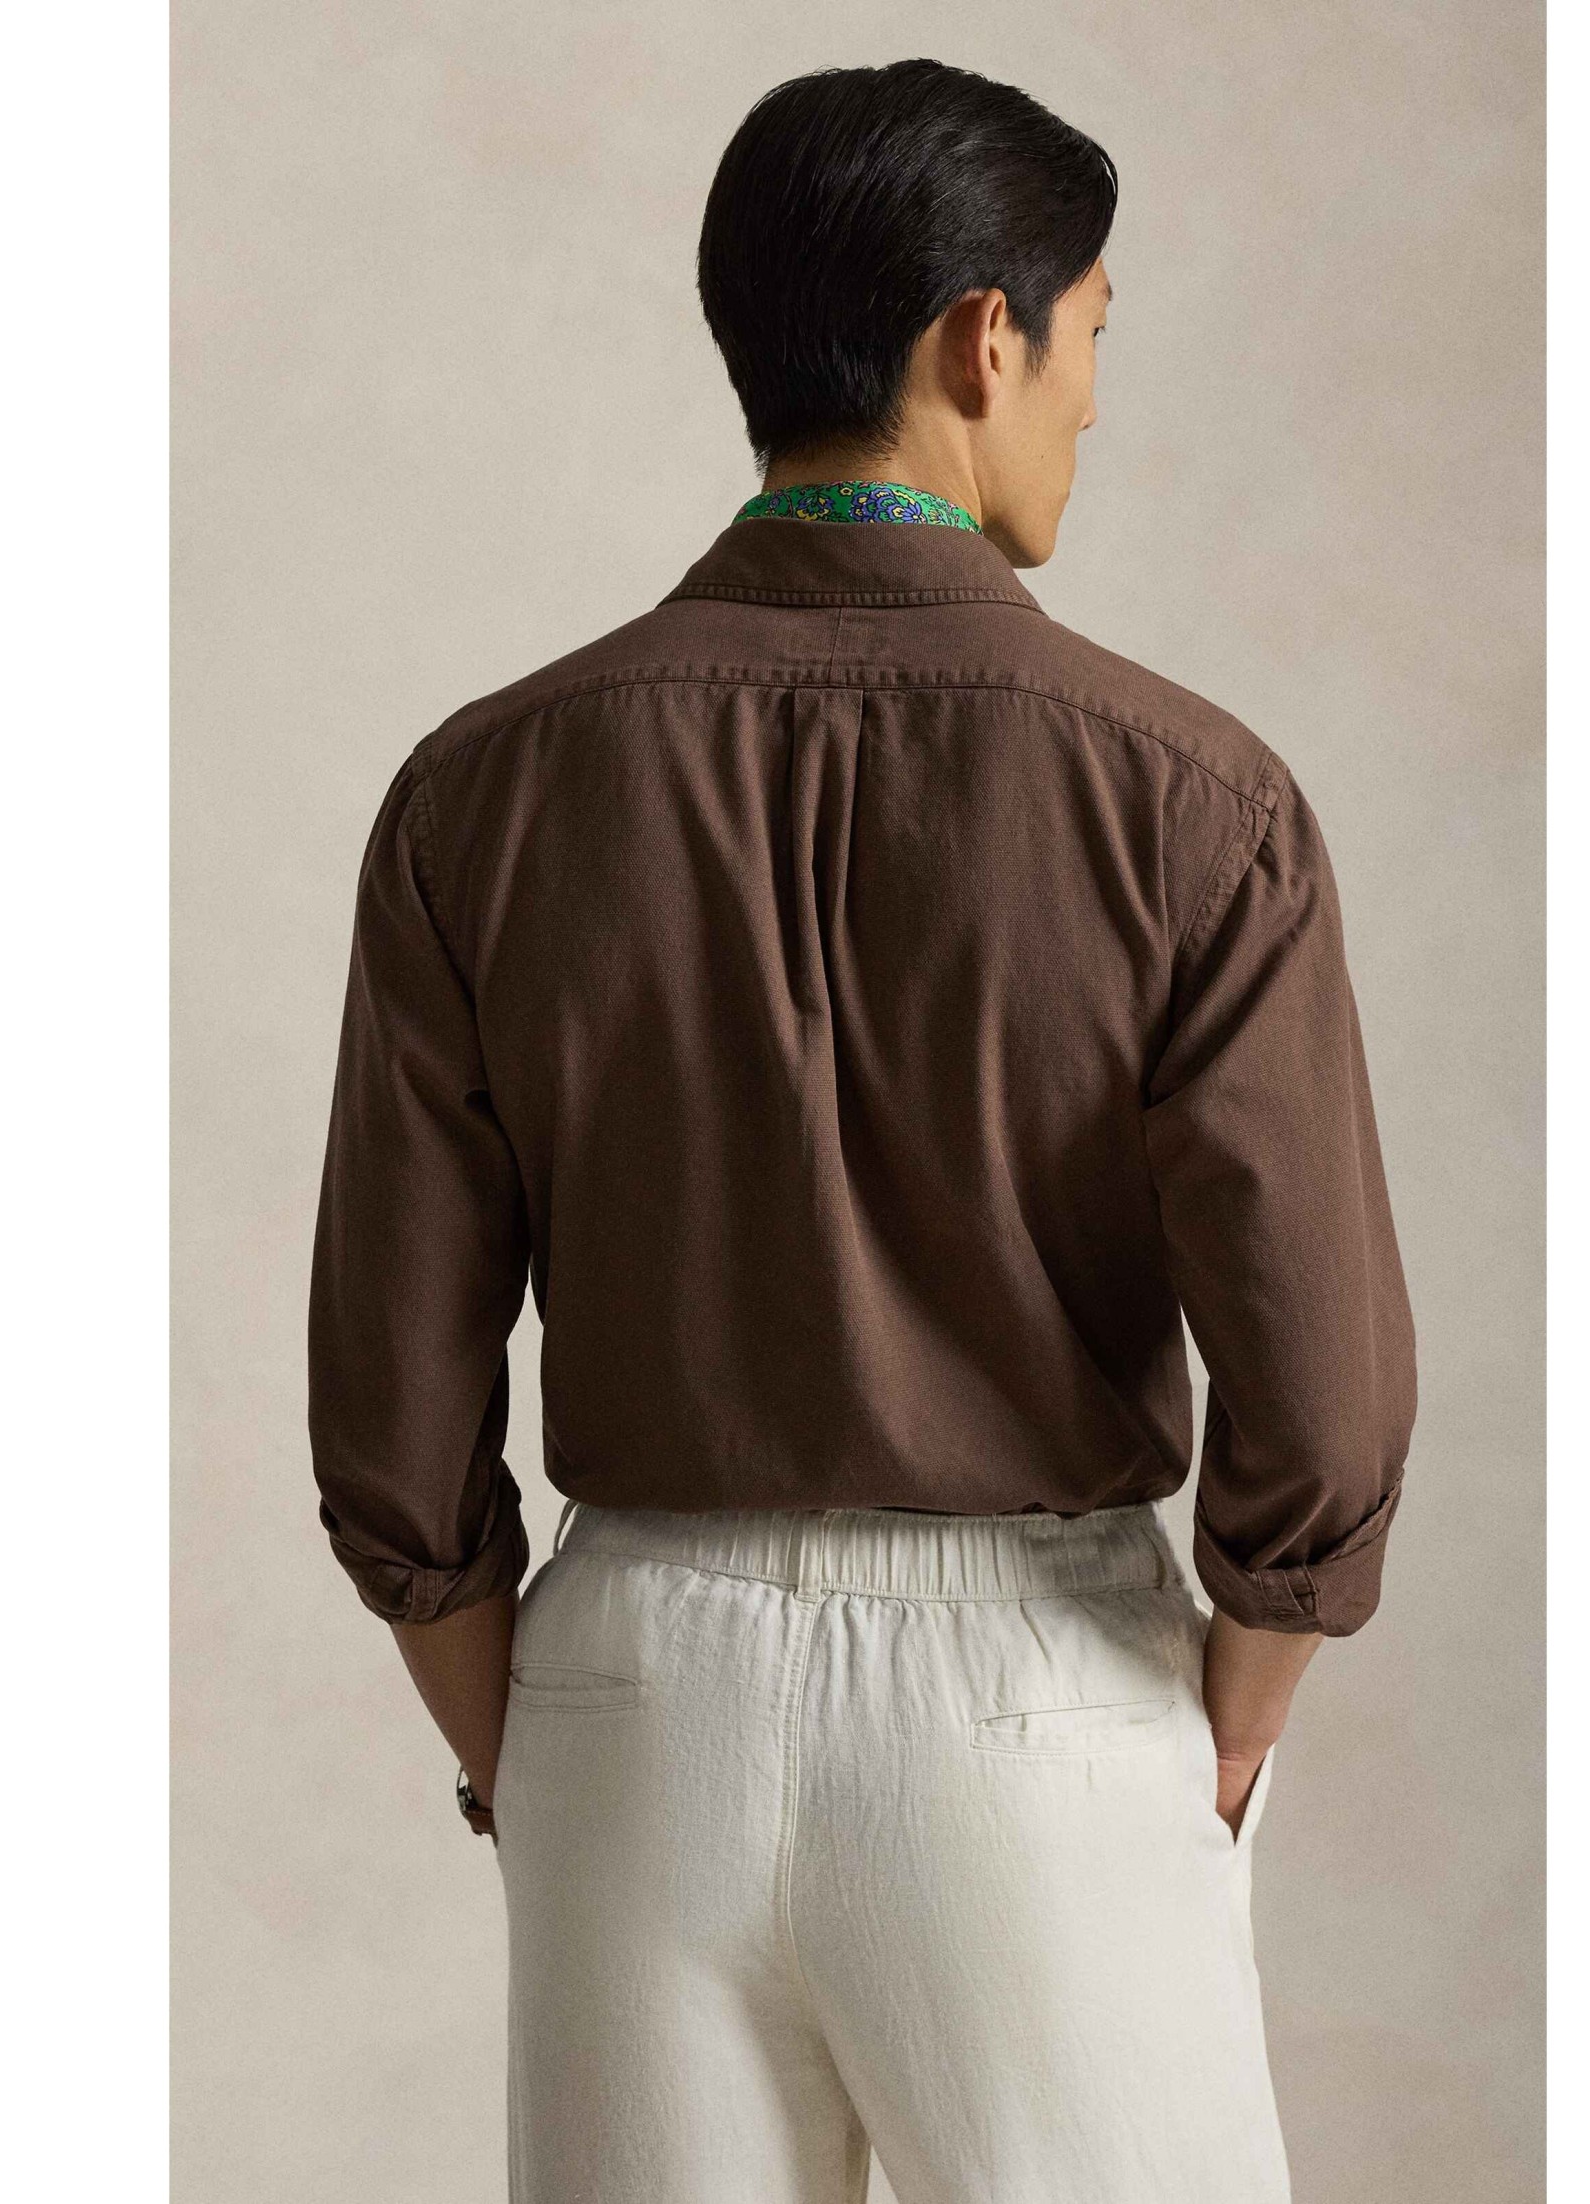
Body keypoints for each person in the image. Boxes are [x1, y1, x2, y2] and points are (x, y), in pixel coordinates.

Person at [308, 56, 1416, 2204]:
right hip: (1041, 1697)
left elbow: (391, 1390)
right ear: (981, 338)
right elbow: (1327, 1382)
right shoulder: (1194, 801)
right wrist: (1233, 1715)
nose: (1092, 401)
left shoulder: (481, 792)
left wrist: (535, 1735)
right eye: (1089, 337)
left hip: (628, 1695)